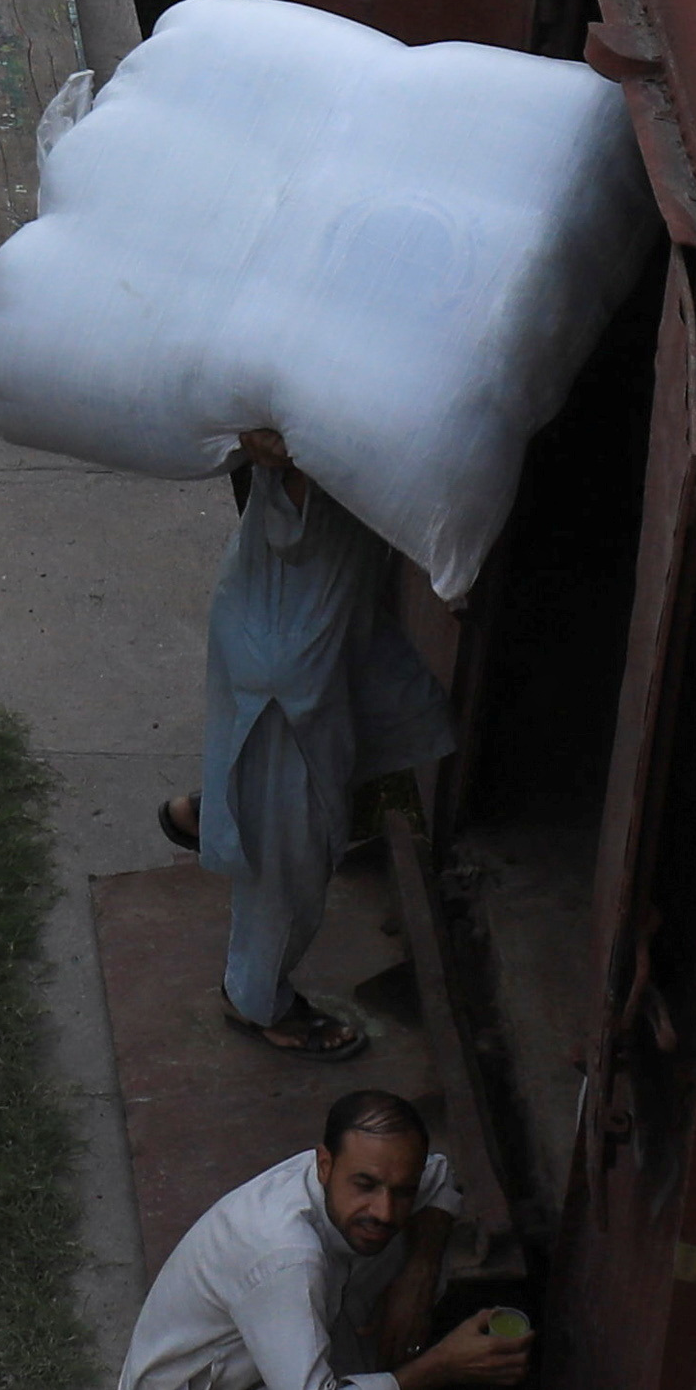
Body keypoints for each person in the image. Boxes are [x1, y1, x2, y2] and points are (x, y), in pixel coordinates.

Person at [163, 431, 453, 1058]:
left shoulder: (311, 432)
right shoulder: (314, 441)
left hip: (296, 632)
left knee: (381, 718)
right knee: (291, 852)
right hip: (289, 678)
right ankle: (255, 999)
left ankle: (216, 808)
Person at [117, 1087, 525, 1390]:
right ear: (325, 1164)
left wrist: (416, 1278)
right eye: (365, 1185)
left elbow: (439, 1177)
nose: (384, 1210)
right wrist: (442, 1365)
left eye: (402, 1190)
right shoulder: (286, 1257)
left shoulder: (342, 1175)